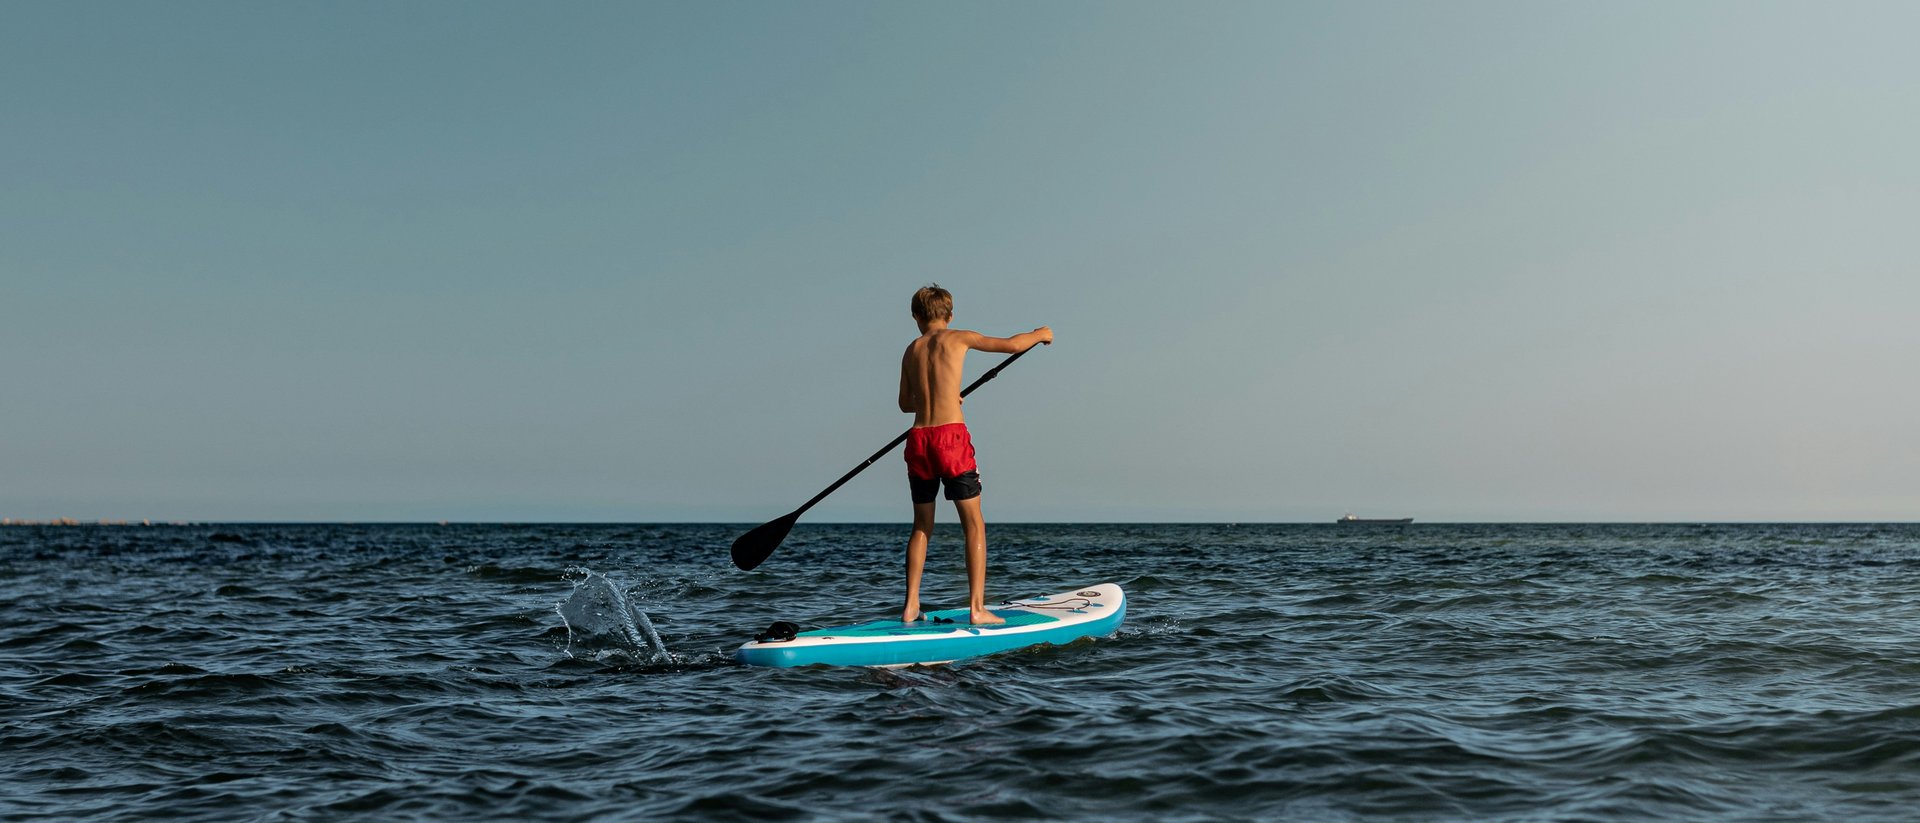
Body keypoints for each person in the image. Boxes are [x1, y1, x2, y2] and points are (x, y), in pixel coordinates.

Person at [897, 284, 1051, 625]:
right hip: (950, 439)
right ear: (950, 315)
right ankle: (978, 609)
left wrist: (939, 397)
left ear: (916, 318)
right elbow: (1012, 345)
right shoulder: (959, 337)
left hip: (919, 439)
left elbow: (905, 404)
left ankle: (910, 606)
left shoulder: (911, 350)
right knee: (974, 525)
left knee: (921, 526)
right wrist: (1039, 334)